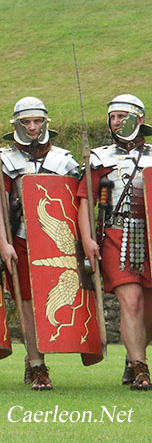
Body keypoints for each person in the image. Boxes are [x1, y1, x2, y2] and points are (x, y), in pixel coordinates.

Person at [0, 97, 79, 391]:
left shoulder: (63, 161)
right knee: (26, 302)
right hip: (21, 240)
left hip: (56, 243)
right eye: (26, 122)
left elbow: (73, 206)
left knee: (50, 300)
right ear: (17, 125)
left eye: (37, 121)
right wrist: (3, 243)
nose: (32, 128)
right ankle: (38, 364)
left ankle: (36, 356)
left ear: (45, 123)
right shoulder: (4, 162)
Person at [78, 94, 152, 391]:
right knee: (131, 303)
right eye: (113, 117)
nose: (117, 122)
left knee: (147, 311)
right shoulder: (99, 158)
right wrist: (86, 238)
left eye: (123, 116)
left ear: (140, 119)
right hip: (116, 235)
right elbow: (85, 200)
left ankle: (131, 358)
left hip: (149, 237)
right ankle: (141, 369)